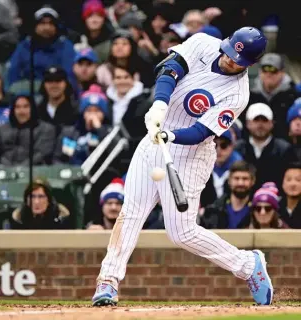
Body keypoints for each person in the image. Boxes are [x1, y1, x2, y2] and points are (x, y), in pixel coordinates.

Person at [91, 27, 273, 307]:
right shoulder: (203, 43)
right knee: (131, 213)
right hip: (154, 136)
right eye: (228, 52)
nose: (228, 60)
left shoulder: (238, 94)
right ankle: (108, 281)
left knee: (181, 233)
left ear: (250, 64)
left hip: (191, 154)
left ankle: (248, 264)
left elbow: (201, 132)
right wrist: (160, 106)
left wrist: (170, 135)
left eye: (237, 60)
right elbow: (171, 67)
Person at [7, 5, 76, 89]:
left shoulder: (65, 46)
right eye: (42, 23)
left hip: (57, 91)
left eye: (51, 23)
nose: (47, 27)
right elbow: (13, 73)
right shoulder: (24, 46)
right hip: (29, 93)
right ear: (35, 26)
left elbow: (69, 76)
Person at [235, 102, 294, 190]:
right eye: (256, 120)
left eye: (264, 120)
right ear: (247, 123)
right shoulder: (238, 148)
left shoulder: (284, 149)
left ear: (272, 123)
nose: (260, 124)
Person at [0, 94, 55, 166]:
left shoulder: (46, 129)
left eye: (26, 107)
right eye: (17, 107)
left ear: (33, 109)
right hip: (4, 171)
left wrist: (19, 170)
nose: (21, 111)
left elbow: (41, 154)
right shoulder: (1, 129)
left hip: (33, 172)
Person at [244, 53, 301, 139]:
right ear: (260, 71)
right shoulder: (250, 94)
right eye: (264, 69)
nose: (268, 74)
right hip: (254, 144)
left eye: (273, 70)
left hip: (286, 144)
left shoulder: (294, 95)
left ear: (282, 72)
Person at [53, 88, 111, 165]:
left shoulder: (109, 132)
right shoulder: (70, 133)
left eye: (97, 111)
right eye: (89, 111)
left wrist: (99, 128)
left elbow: (112, 152)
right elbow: (58, 158)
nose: (92, 115)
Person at [200, 161, 255, 229]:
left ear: (252, 181)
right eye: (236, 178)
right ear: (229, 181)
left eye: (245, 179)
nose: (240, 183)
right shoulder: (213, 210)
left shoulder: (259, 209)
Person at [200, 130, 243, 207]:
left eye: (224, 145)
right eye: (214, 145)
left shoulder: (241, 169)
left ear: (232, 146)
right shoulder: (201, 165)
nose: (218, 150)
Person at [37, 66, 78, 137]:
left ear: (65, 83)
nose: (54, 85)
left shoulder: (75, 110)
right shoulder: (36, 111)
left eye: (58, 80)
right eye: (49, 81)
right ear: (44, 84)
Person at [279, 162, 301, 228]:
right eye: (288, 180)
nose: (293, 184)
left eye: (298, 180)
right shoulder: (275, 208)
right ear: (282, 183)